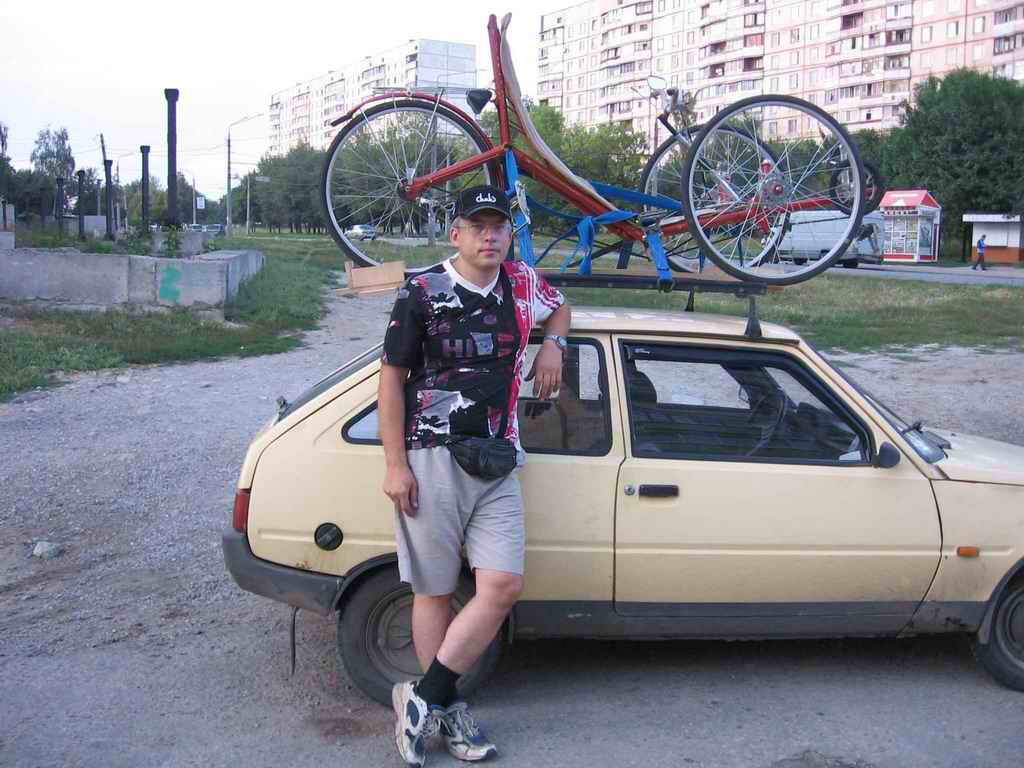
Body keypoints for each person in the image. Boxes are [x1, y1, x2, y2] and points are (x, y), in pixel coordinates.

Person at [378, 185, 570, 766]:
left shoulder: (522, 282)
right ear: (455, 233)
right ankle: (449, 710)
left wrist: (554, 345)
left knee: (502, 586)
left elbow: (561, 306)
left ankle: (422, 697)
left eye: (499, 226)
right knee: (435, 590)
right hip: (431, 454)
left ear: (509, 234)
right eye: (478, 226)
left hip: (498, 457)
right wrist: (395, 464)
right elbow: (390, 381)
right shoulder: (421, 292)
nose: (490, 236)